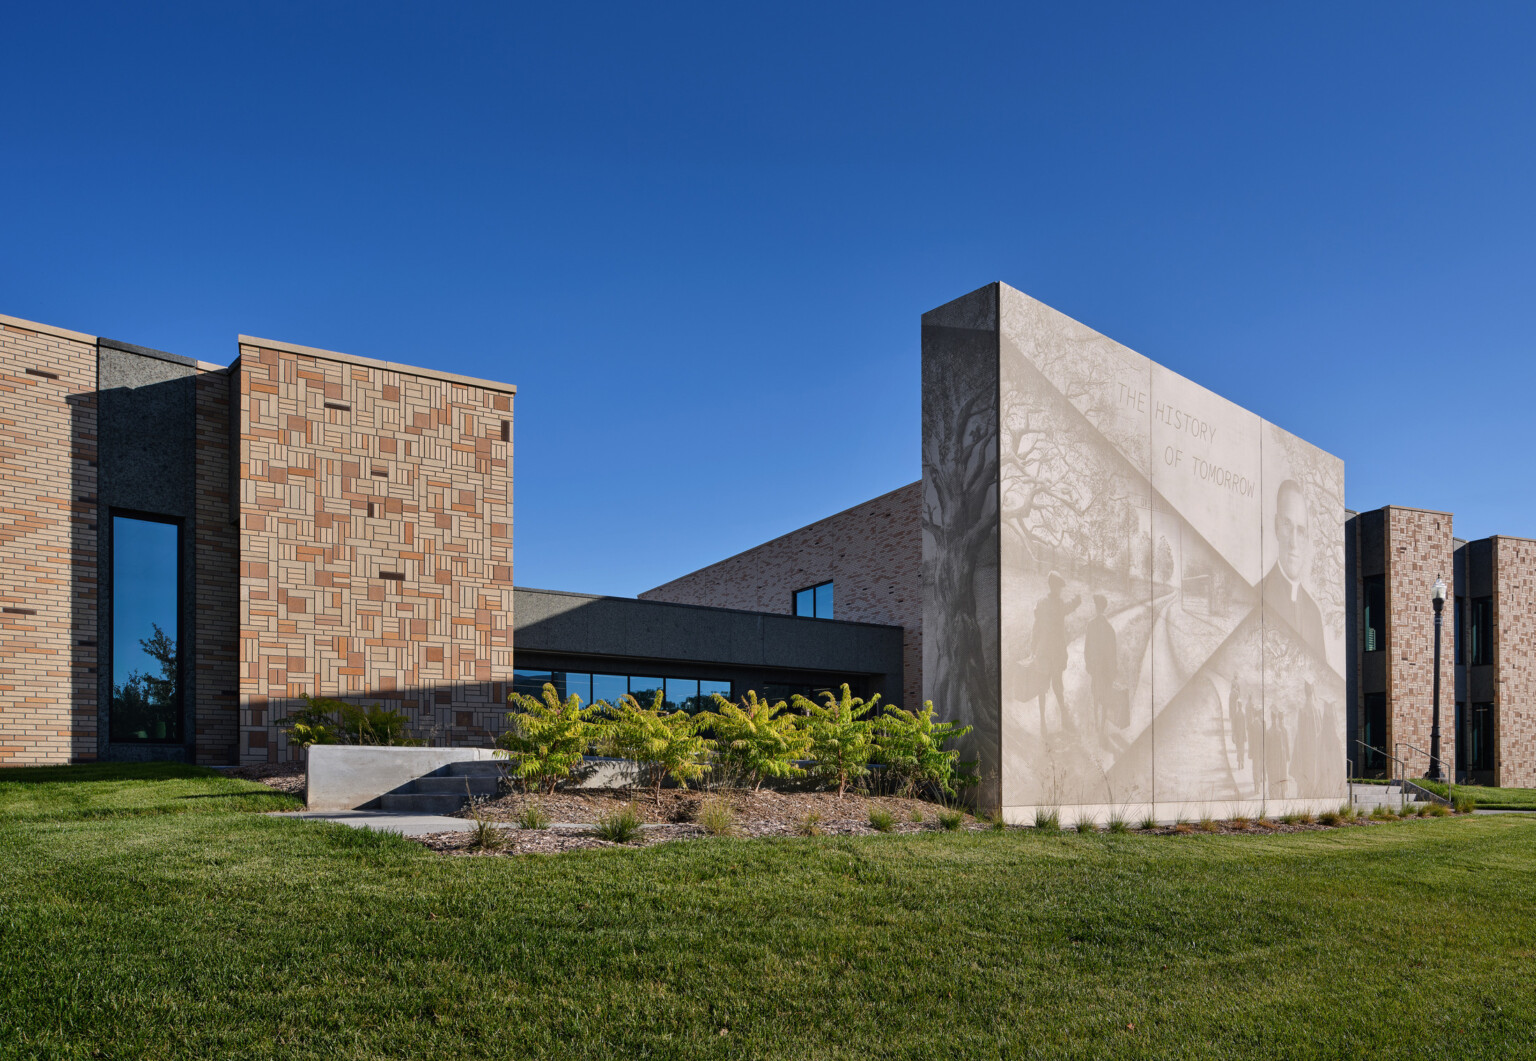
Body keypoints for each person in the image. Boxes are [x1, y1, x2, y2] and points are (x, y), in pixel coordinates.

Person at [1263, 479, 1326, 657]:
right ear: (1276, 526)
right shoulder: (1256, 598)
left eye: (1300, 530)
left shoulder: (1314, 614)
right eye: (1287, 525)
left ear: (1306, 537)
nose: (1294, 542)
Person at [1033, 571, 1081, 735]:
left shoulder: (1040, 603)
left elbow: (1036, 627)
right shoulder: (1060, 604)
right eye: (1060, 587)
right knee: (1057, 685)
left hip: (1043, 651)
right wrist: (1077, 600)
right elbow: (1069, 607)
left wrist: (1033, 648)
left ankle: (1042, 722)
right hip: (1056, 652)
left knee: (1041, 686)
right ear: (1054, 587)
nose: (1060, 590)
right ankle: (1064, 718)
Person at [1083, 594, 1122, 728]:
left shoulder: (1091, 625)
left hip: (1096, 667)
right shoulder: (1109, 628)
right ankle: (1102, 723)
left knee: (1096, 694)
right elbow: (1113, 652)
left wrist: (1088, 663)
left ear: (1097, 607)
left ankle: (1097, 721)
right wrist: (1113, 668)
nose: (1097, 608)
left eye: (1097, 606)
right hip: (1104, 668)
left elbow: (1087, 647)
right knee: (1103, 695)